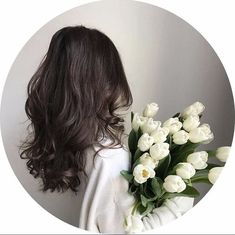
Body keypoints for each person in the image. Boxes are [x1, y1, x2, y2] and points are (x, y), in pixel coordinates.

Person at [19, 25, 193, 234]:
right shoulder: (106, 157)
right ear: (104, 81)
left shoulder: (69, 141)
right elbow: (129, 231)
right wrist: (179, 202)